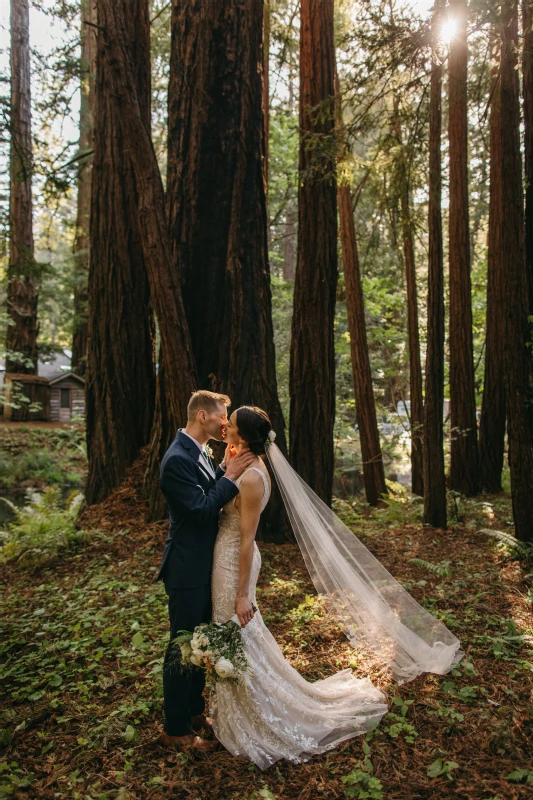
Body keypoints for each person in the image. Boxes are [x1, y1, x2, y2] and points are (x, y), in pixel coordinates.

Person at [209, 405, 462, 769]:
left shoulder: (251, 478)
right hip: (228, 559)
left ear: (244, 436)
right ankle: (245, 708)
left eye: (230, 425)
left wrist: (242, 593)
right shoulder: (243, 466)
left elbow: (247, 540)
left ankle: (259, 716)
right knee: (237, 635)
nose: (224, 427)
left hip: (236, 563)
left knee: (236, 630)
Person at [156, 390, 255, 753]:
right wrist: (229, 475)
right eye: (221, 417)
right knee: (180, 649)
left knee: (200, 643)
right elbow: (199, 510)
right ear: (202, 416)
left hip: (204, 564)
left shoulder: (199, 452)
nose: (226, 424)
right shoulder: (176, 459)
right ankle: (176, 729)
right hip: (185, 568)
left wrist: (223, 471)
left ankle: (195, 712)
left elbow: (210, 490)